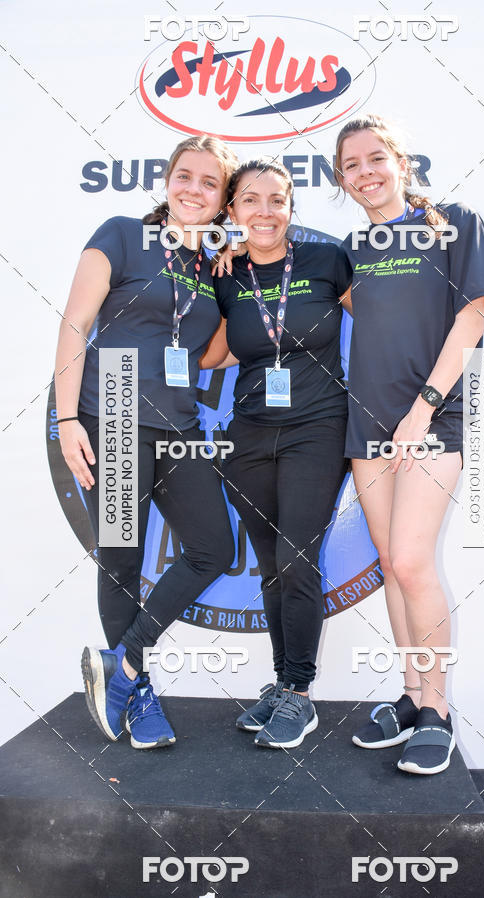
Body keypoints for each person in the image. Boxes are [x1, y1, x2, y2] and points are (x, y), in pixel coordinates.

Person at [54, 135, 238, 749]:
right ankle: (137, 697)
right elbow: (76, 324)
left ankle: (122, 664)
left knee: (213, 546)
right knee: (122, 559)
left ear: (223, 200)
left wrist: (242, 275)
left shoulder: (213, 268)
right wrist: (67, 420)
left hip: (179, 425)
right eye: (185, 176)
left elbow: (213, 354)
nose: (193, 190)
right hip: (111, 414)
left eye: (209, 183)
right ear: (167, 180)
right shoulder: (121, 235)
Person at [334, 114, 484, 774]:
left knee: (411, 561)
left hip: (432, 420)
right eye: (351, 165)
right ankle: (410, 695)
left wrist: (423, 407)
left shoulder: (455, 223)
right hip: (366, 425)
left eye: (375, 158)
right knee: (389, 563)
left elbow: (471, 318)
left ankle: (437, 708)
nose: (366, 173)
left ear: (400, 163)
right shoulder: (352, 249)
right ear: (342, 180)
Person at [202, 158, 352, 749]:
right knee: (270, 566)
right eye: (250, 200)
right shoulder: (226, 275)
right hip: (249, 436)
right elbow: (212, 356)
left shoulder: (327, 261)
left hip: (318, 428)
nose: (265, 211)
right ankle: (283, 682)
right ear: (232, 210)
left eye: (277, 200)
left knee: (296, 559)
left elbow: (381, 325)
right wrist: (209, 264)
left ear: (291, 207)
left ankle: (300, 694)